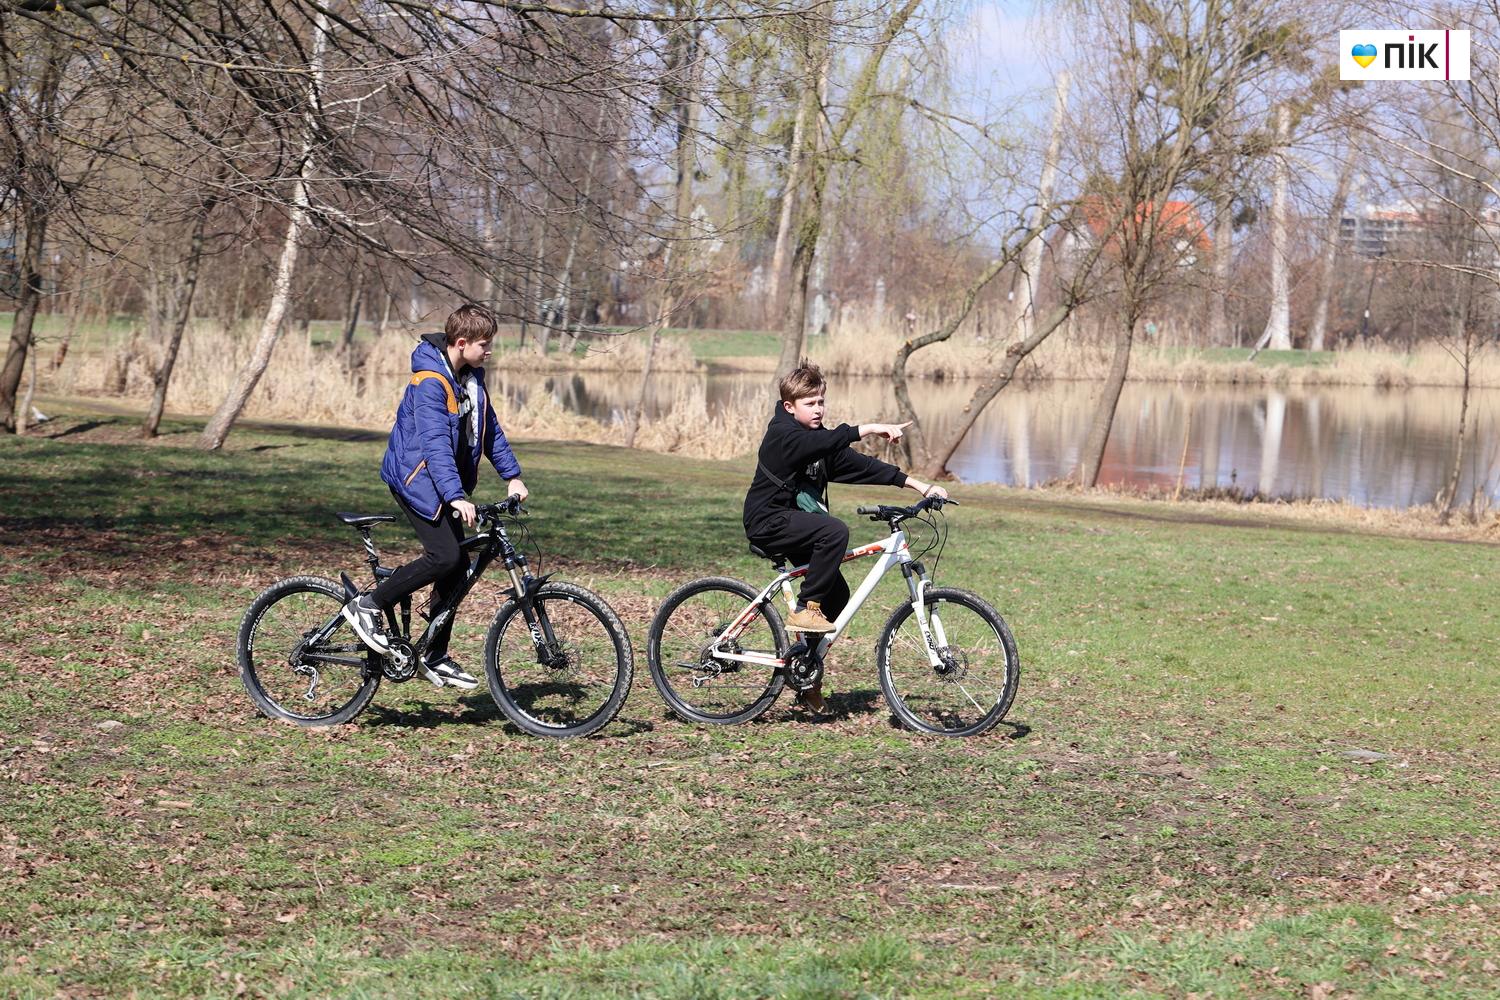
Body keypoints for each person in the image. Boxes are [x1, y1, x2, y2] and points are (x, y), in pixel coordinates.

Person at [743, 361, 948, 714]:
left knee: (836, 593)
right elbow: (828, 439)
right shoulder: (783, 434)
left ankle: (806, 674)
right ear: (790, 407)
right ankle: (806, 609)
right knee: (834, 530)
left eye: (821, 401)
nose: (819, 408)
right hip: (768, 521)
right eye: (810, 403)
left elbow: (862, 466)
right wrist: (868, 427)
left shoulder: (819, 444)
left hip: (795, 524)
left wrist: (919, 485)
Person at [342, 304, 527, 690]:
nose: (490, 350)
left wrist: (512, 475)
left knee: (457, 567)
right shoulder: (430, 382)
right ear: (462, 343)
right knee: (445, 555)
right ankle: (368, 605)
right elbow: (436, 445)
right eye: (484, 344)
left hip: (442, 482)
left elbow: (488, 429)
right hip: (415, 480)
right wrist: (456, 496)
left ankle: (434, 654)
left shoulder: (471, 378)